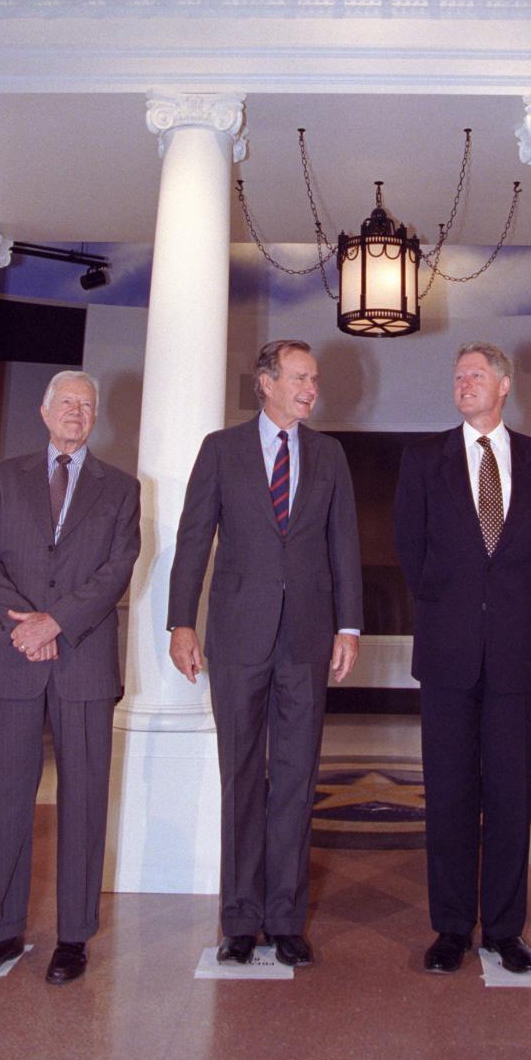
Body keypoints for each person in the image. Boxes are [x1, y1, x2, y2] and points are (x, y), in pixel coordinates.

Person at [168, 339, 363, 968]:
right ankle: (239, 920)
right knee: (242, 774)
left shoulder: (330, 454)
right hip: (237, 635)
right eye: (301, 377)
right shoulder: (220, 450)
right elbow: (194, 537)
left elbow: (344, 545)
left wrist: (349, 628)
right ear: (266, 382)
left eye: (315, 379)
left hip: (308, 637)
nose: (312, 388)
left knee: (298, 780)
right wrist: (180, 623)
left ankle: (285, 917)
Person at [0, 370, 140, 986]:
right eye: (66, 402)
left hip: (83, 662)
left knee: (85, 800)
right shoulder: (0, 479)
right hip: (13, 659)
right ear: (43, 411)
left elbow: (118, 569)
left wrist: (55, 622)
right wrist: (23, 628)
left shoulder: (120, 489)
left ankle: (73, 937)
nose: (76, 412)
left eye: (87, 405)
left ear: (95, 417)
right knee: (8, 798)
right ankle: (2, 931)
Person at [394, 342, 531, 974]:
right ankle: (449, 928)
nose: (463, 384)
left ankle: (504, 929)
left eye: (475, 376)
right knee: (448, 794)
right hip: (447, 654)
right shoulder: (422, 460)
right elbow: (411, 550)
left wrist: (503, 606)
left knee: (513, 793)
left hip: (518, 657)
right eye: (458, 375)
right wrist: (458, 606)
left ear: (504, 386)